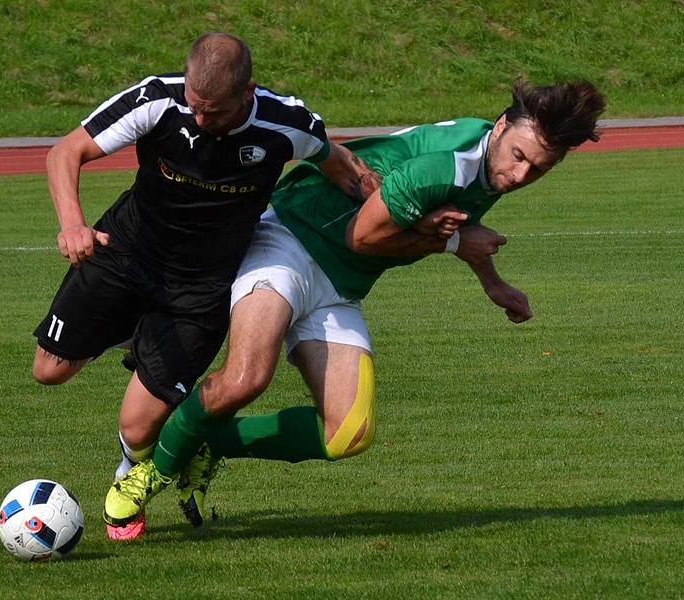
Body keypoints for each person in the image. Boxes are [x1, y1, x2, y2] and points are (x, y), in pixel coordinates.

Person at [102, 78, 606, 534]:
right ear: (500, 128)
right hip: (287, 243)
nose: (520, 174)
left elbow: (454, 226)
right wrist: (454, 245)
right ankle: (148, 475)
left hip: (340, 283)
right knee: (245, 379)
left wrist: (491, 281)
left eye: (538, 168)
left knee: (348, 432)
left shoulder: (489, 156)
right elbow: (363, 236)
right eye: (519, 156)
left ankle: (207, 443)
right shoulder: (444, 168)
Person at [31, 32, 380, 540]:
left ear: (248, 92)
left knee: (137, 426)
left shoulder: (284, 124)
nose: (198, 119)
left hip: (200, 289)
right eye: (194, 105)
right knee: (48, 371)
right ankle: (134, 331)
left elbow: (342, 167)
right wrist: (72, 224)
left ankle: (130, 477)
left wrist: (401, 213)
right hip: (126, 253)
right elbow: (65, 152)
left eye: (211, 111)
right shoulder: (157, 100)